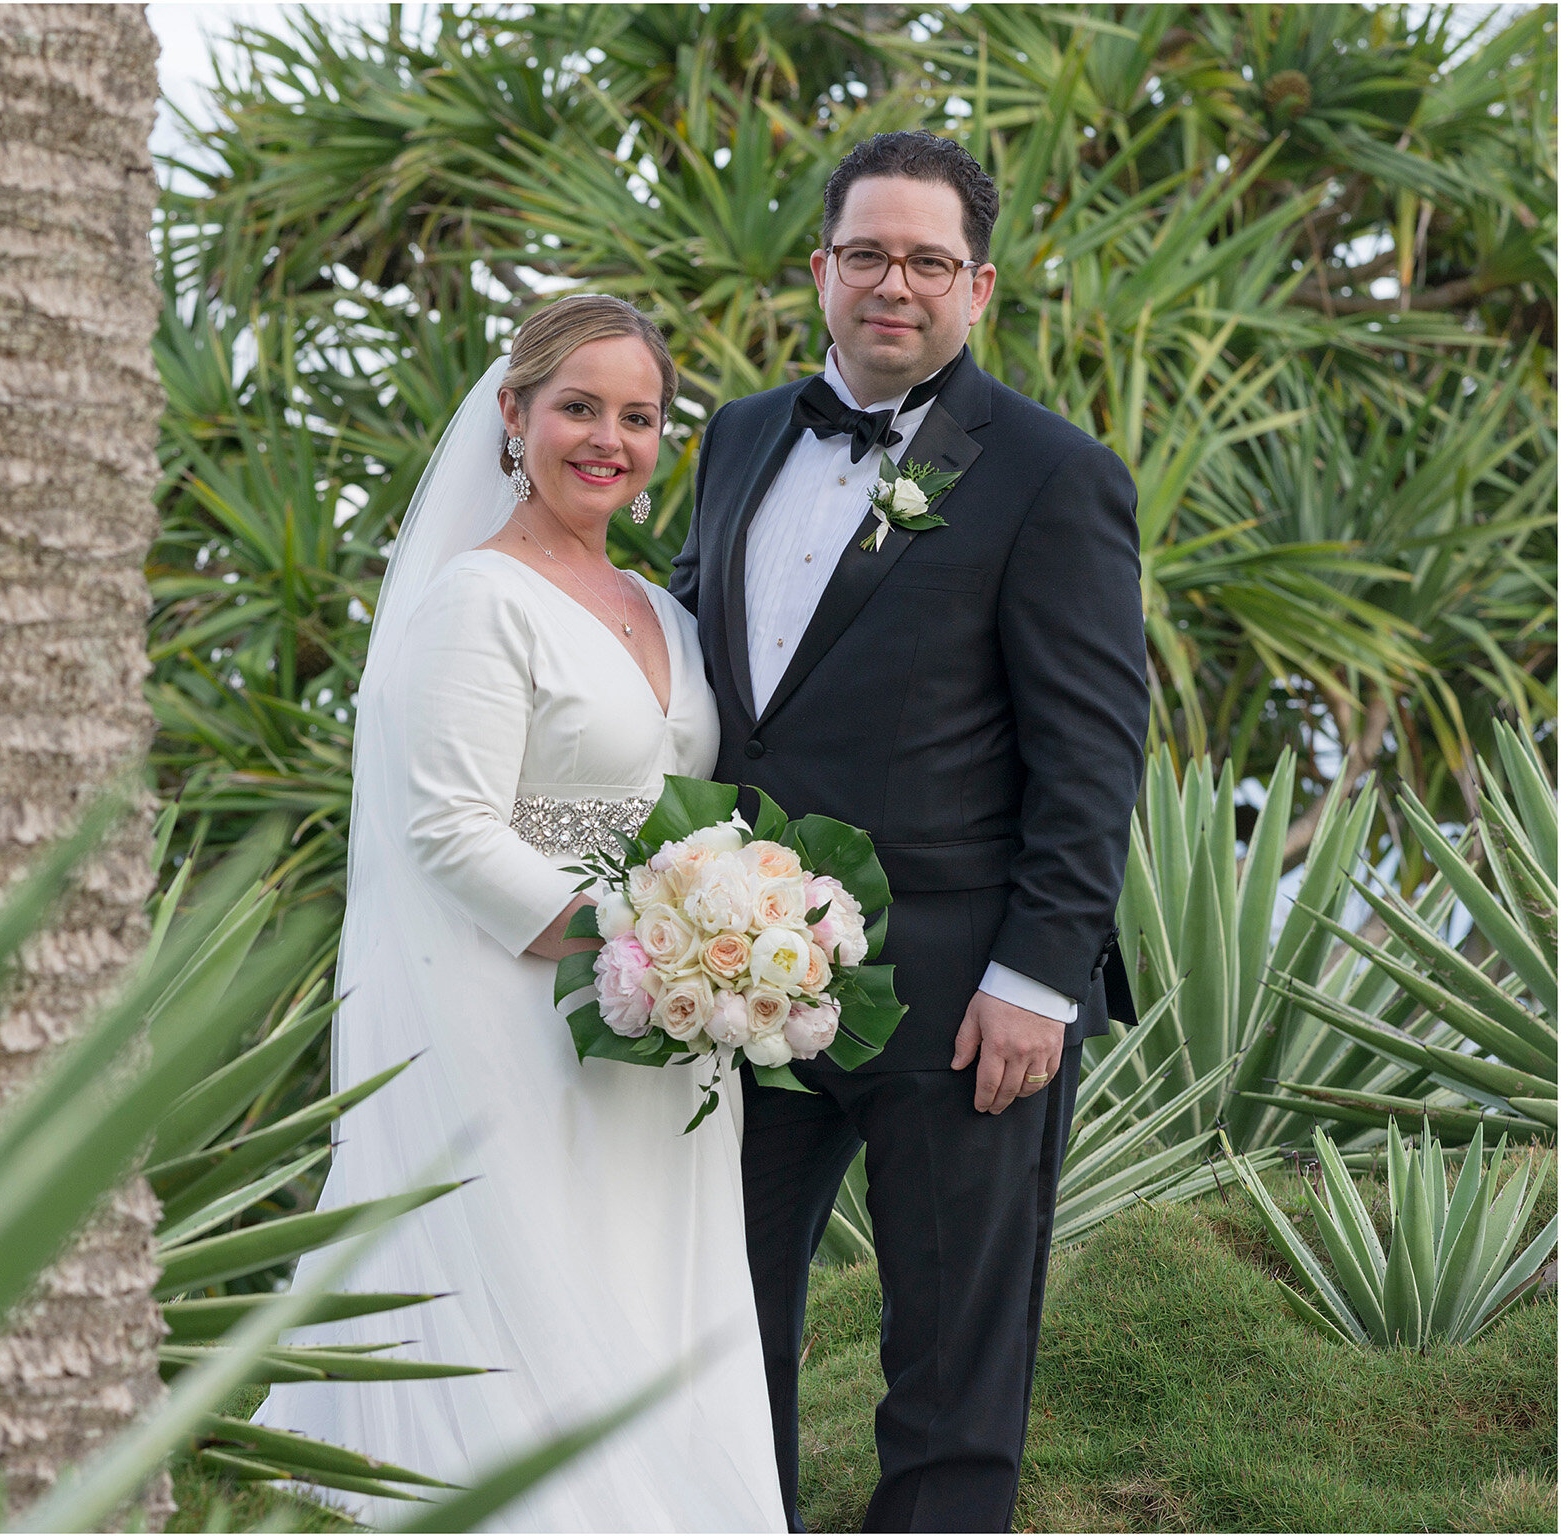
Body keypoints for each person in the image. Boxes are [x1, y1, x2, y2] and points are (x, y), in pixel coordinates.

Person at [668, 131, 1151, 1533]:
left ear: (977, 286)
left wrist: (1037, 983)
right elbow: (702, 691)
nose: (897, 283)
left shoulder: (1052, 477)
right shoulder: (739, 437)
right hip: (734, 983)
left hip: (962, 1001)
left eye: (929, 260)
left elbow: (1091, 752)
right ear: (820, 269)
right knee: (710, 1335)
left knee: (949, 1373)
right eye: (869, 254)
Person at [252, 295, 786, 1532]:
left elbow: (689, 808)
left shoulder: (663, 611)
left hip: (661, 1031)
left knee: (649, 1289)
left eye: (638, 416)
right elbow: (445, 830)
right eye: (578, 408)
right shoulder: (473, 601)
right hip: (515, 1007)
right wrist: (639, 948)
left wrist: (726, 939)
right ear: (513, 414)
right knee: (528, 1282)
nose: (609, 438)